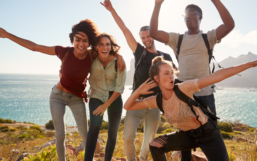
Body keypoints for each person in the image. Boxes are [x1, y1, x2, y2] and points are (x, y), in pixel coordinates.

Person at [0, 19, 125, 161]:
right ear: (72, 40)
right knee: (60, 135)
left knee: (86, 135)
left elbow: (106, 50)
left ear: (90, 42)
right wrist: (7, 35)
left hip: (76, 98)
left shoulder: (92, 54)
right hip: (57, 96)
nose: (81, 44)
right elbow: (34, 46)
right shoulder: (63, 51)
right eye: (78, 39)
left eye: (85, 40)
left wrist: (119, 56)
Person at [124, 49, 257, 161]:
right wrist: (138, 91)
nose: (171, 76)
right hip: (188, 136)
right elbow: (128, 106)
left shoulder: (183, 88)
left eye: (171, 72)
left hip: (208, 134)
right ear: (156, 79)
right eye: (166, 74)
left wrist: (251, 64)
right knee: (155, 145)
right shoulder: (156, 100)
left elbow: (217, 76)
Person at [149, 0, 235, 159]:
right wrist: (158, 4)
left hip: (205, 95)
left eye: (190, 14)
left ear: (200, 16)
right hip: (183, 97)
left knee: (211, 137)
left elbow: (230, 25)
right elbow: (153, 32)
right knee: (185, 138)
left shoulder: (208, 37)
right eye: (184, 15)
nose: (186, 17)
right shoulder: (177, 39)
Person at [100, 1, 177, 160]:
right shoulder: (139, 51)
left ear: (153, 35)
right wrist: (111, 9)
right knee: (128, 138)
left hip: (155, 103)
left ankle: (142, 159)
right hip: (136, 102)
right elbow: (124, 29)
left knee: (149, 141)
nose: (146, 39)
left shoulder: (166, 57)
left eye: (148, 36)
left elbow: (174, 79)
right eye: (143, 37)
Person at [84, 33, 126, 161]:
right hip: (96, 95)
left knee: (112, 133)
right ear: (96, 47)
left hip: (114, 97)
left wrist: (106, 105)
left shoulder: (117, 61)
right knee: (94, 127)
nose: (105, 47)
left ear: (111, 46)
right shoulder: (91, 58)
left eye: (107, 44)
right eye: (101, 44)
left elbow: (120, 88)